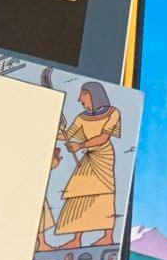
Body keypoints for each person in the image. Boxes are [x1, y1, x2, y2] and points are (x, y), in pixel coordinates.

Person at [52, 82, 122, 247]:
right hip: (88, 155)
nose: (79, 99)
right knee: (79, 193)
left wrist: (80, 145)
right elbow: (68, 135)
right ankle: (76, 239)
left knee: (104, 193)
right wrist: (55, 129)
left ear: (94, 95)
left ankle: (108, 236)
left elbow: (103, 138)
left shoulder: (113, 113)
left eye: (83, 94)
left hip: (103, 156)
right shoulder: (81, 117)